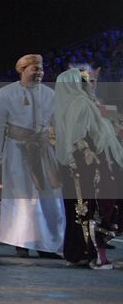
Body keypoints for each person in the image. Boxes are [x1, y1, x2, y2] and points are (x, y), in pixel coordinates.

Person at [0, 54, 66, 258]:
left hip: (44, 150)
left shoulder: (49, 94)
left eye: (41, 68)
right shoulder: (6, 93)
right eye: (34, 68)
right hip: (17, 152)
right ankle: (22, 241)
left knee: (48, 196)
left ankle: (47, 244)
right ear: (22, 69)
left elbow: (61, 124)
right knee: (23, 198)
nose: (39, 72)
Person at [53, 66, 120, 268]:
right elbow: (79, 137)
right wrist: (90, 155)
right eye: (87, 81)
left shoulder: (75, 104)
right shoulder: (81, 103)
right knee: (90, 208)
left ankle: (78, 252)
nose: (91, 84)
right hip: (87, 165)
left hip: (79, 165)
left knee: (79, 209)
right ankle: (93, 254)